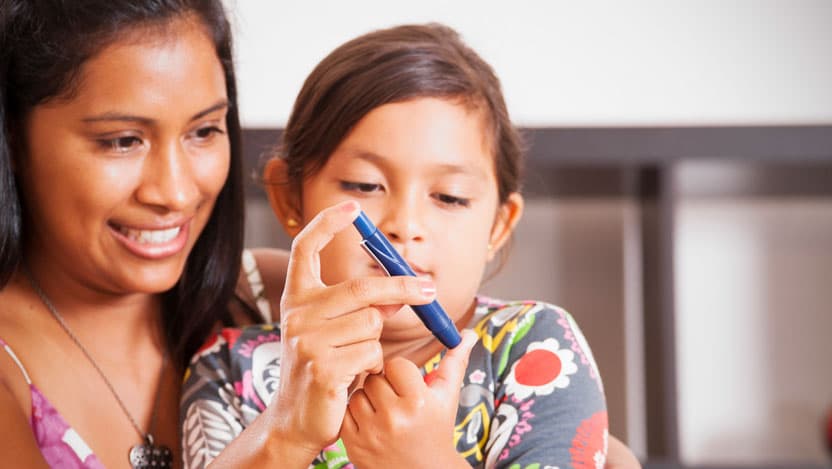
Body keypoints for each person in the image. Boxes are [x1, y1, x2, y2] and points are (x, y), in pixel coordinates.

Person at [181, 23, 613, 469]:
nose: (404, 227)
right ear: (291, 199)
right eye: (365, 185)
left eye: (449, 197)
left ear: (498, 226)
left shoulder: (534, 347)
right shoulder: (230, 370)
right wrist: (288, 427)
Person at [0, 0, 271, 467]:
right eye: (123, 141)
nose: (177, 193)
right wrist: (281, 443)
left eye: (204, 131)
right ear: (14, 139)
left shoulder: (274, 296)